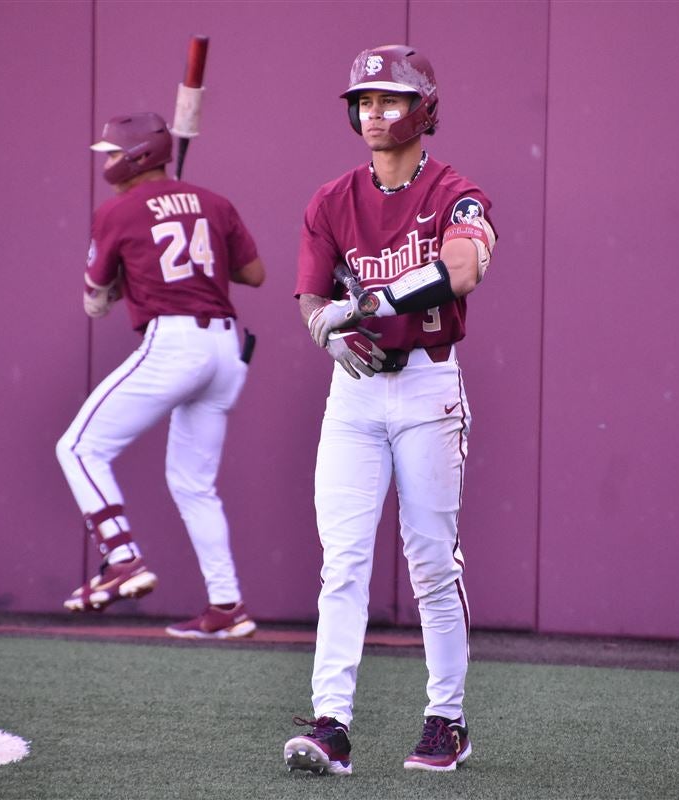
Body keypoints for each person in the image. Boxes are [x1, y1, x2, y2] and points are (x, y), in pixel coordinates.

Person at [283, 45, 496, 775]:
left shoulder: (454, 190)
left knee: (431, 563)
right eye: (366, 100)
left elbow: (465, 266)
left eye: (392, 99)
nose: (375, 112)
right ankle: (331, 724)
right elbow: (311, 295)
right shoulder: (331, 198)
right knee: (342, 562)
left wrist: (380, 298)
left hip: (428, 387)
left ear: (424, 109)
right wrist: (325, 334)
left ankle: (447, 720)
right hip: (355, 392)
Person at [55, 111, 264, 640]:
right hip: (226, 349)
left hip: (176, 344)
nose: (105, 160)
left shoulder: (117, 212)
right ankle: (226, 606)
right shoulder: (214, 203)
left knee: (78, 448)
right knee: (194, 484)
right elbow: (254, 275)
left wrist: (123, 279)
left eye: (111, 152)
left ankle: (121, 558)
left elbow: (95, 304)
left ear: (133, 156)